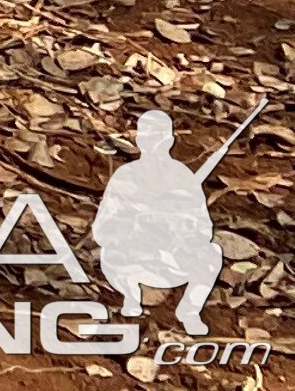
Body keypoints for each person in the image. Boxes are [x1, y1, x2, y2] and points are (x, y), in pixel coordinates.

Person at [93, 110, 223, 334]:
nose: (154, 145)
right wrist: (137, 223)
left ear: (170, 141)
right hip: (132, 258)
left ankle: (190, 311)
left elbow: (203, 230)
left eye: (160, 139)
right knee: (109, 254)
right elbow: (102, 230)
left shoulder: (184, 178)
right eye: (149, 138)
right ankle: (131, 298)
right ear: (140, 140)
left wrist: (177, 226)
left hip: (172, 258)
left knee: (212, 253)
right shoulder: (125, 176)